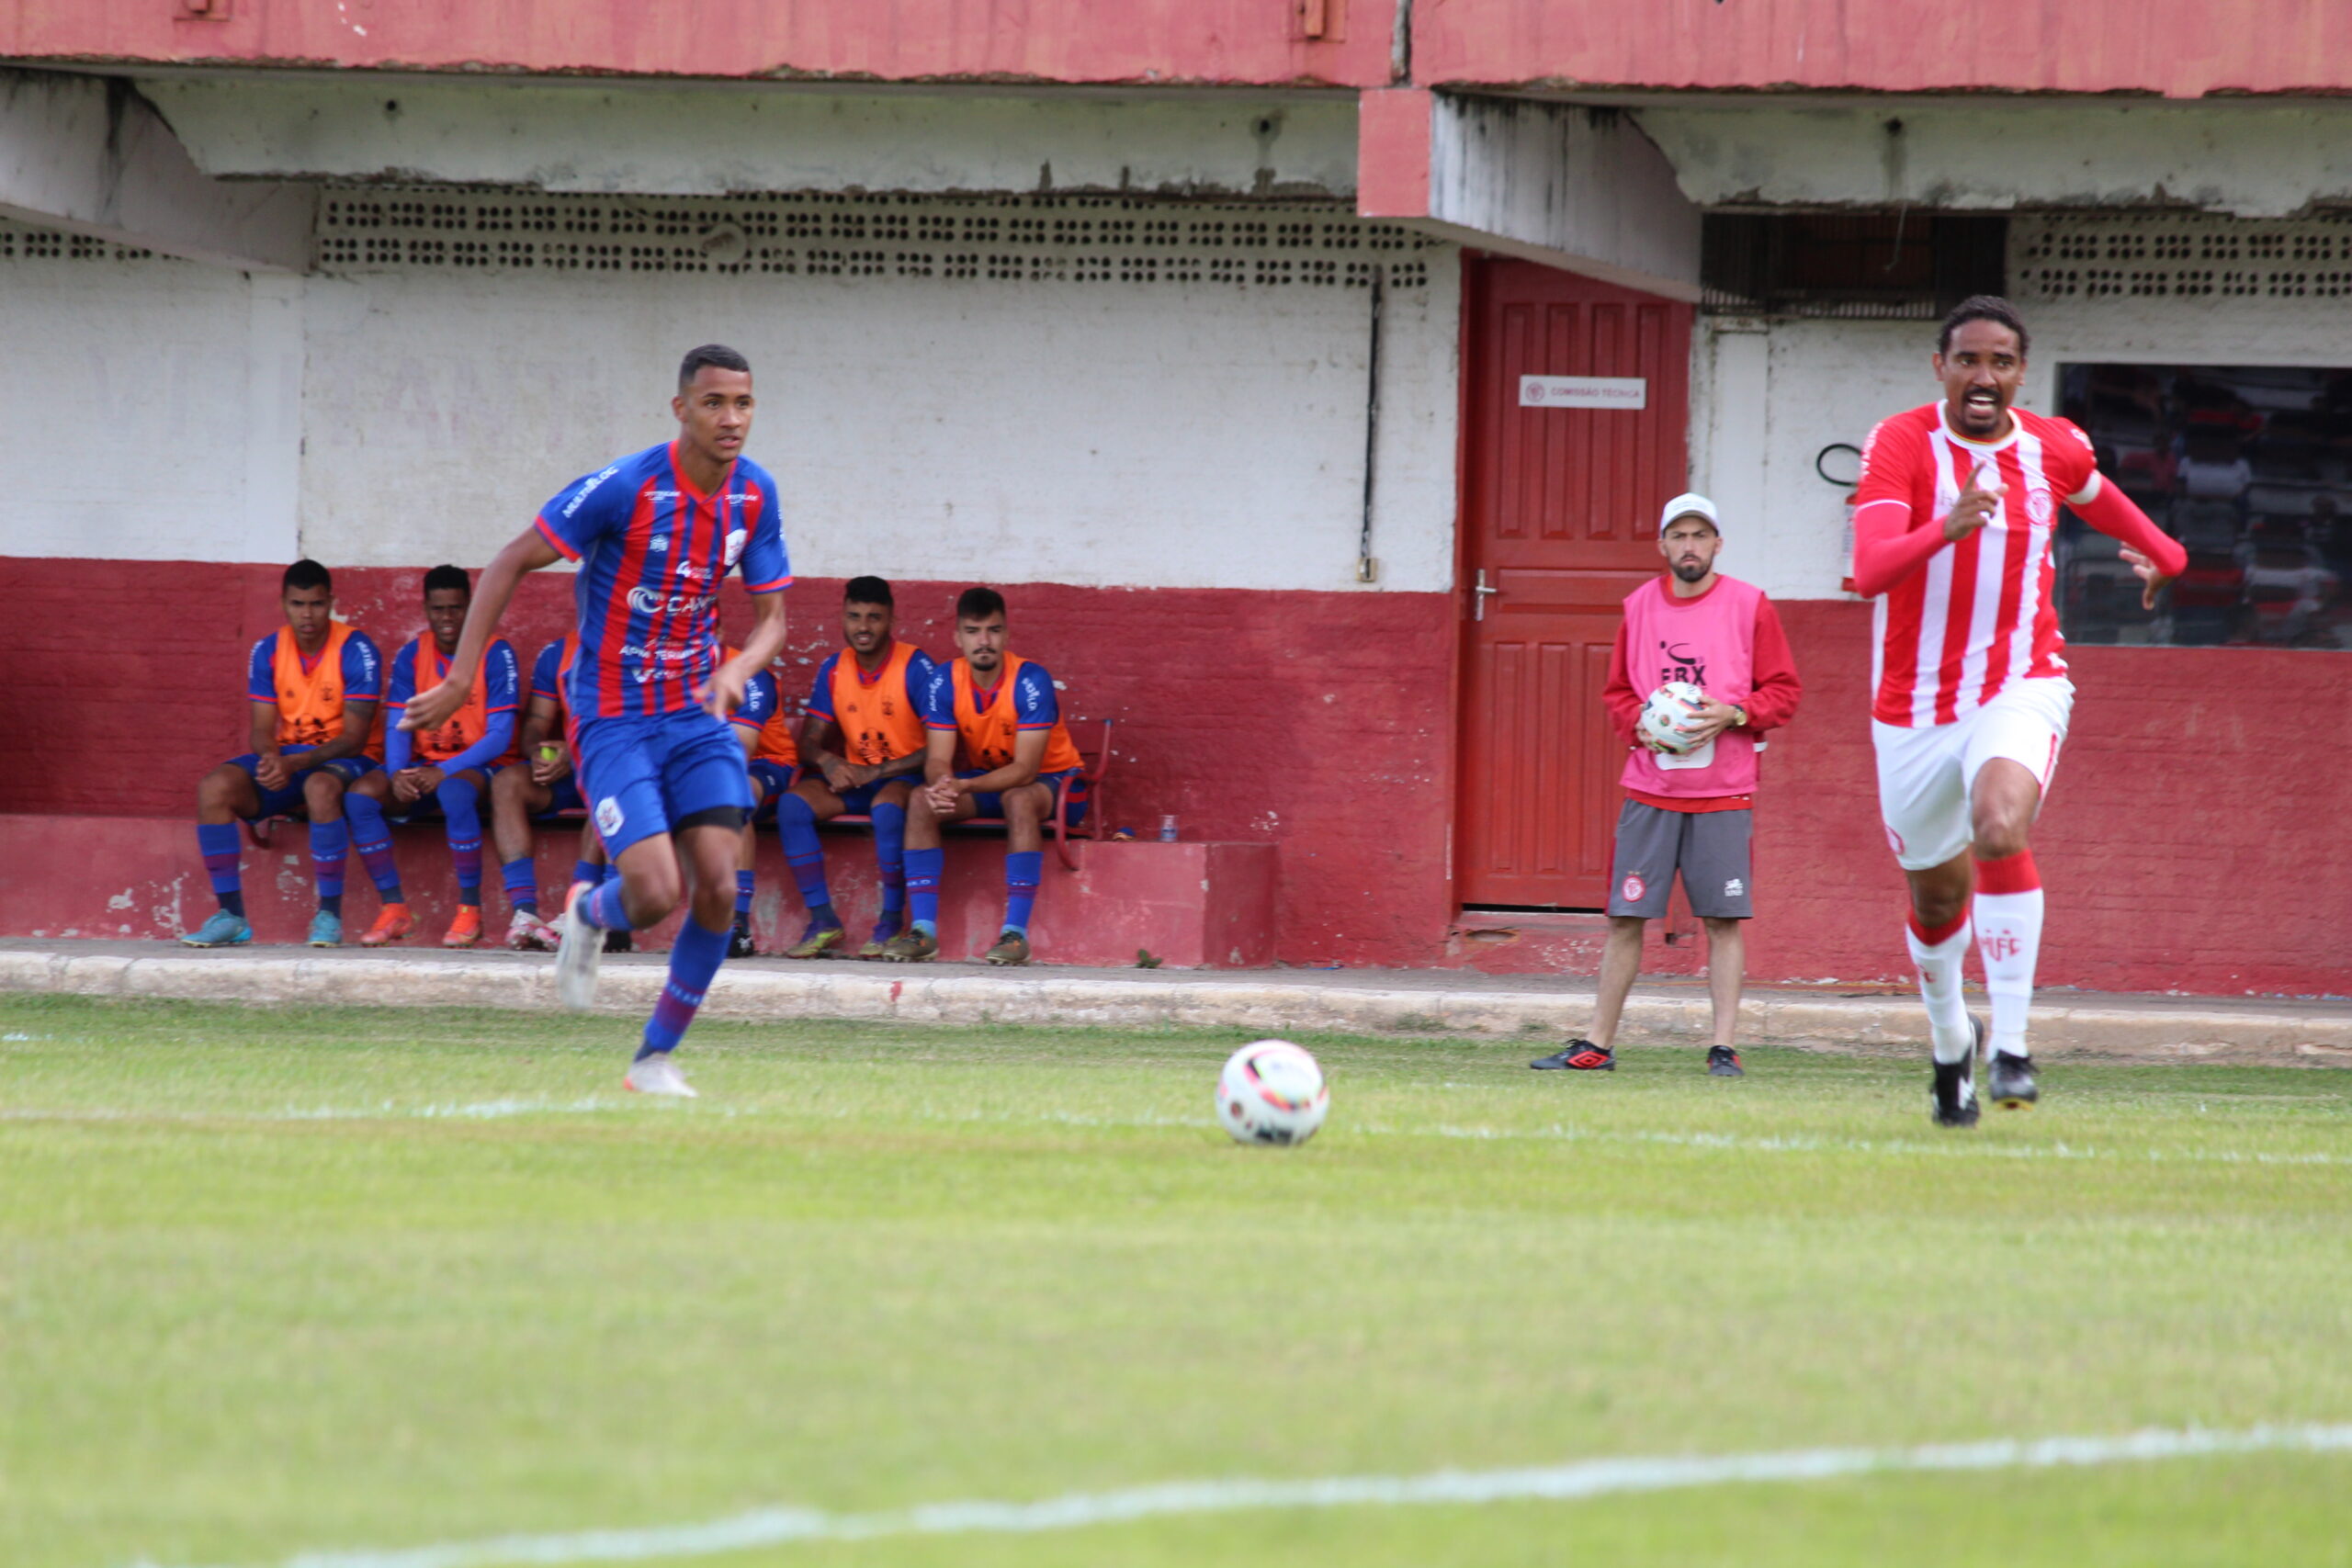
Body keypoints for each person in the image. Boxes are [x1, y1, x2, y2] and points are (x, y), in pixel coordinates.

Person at [400, 344, 792, 1098]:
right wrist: (458, 677)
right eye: (714, 403)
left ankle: (652, 1060)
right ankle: (588, 907)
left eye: (743, 404)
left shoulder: (755, 495)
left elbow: (773, 619)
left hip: (695, 715)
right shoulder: (624, 487)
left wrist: (737, 669)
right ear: (681, 410)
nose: (731, 418)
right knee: (652, 893)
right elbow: (511, 560)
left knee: (717, 882)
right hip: (613, 716)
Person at [1851, 296, 2185, 1127]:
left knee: (2001, 823)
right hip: (1913, 711)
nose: (1983, 376)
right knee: (1936, 904)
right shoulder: (1900, 443)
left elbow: (2115, 508)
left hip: (2020, 681)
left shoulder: (2053, 445)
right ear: (1941, 368)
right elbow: (1868, 571)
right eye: (1968, 359)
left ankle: (2014, 1045)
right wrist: (1949, 525)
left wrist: (2168, 557)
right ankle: (1949, 1044)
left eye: (2000, 362)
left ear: (2020, 374)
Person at [1532, 494, 1802, 1077]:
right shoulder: (1638, 608)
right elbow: (1617, 696)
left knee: (1722, 921)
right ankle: (1597, 1046)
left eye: (1700, 535)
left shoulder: (1750, 606)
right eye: (1677, 535)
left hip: (1723, 791)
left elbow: (1783, 692)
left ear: (1717, 544)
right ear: (1662, 545)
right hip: (1650, 790)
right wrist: (1644, 725)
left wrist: (1732, 713)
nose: (1689, 546)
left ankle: (1723, 1048)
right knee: (1625, 919)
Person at [180, 559, 384, 948]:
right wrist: (272, 758)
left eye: (317, 604)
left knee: (321, 787)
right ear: (283, 604)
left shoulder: (357, 648)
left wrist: (294, 763)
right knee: (214, 788)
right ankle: (232, 917)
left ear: (331, 603)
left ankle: (329, 916)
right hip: (292, 758)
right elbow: (261, 728)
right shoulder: (268, 650)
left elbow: (355, 739)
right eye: (297, 604)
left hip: (350, 761)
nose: (307, 615)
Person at [883, 586, 1086, 966]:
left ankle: (1015, 936)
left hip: (1058, 784)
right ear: (958, 637)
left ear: (1006, 635)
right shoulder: (944, 681)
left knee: (1019, 797)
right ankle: (923, 932)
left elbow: (1026, 770)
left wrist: (965, 784)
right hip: (990, 779)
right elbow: (938, 758)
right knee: (920, 800)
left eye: (993, 630)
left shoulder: (1031, 680)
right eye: (974, 631)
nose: (984, 641)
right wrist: (943, 784)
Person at [344, 565, 522, 948]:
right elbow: (397, 723)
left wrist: (444, 772)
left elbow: (500, 737)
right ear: (426, 608)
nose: (447, 618)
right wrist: (396, 774)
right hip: (426, 768)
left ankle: (469, 911)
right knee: (360, 795)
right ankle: (394, 909)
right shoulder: (412, 654)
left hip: (481, 767)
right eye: (439, 609)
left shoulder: (495, 652)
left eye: (456, 608)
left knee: (454, 792)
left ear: (471, 607)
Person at [775, 577, 936, 960]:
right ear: (843, 618)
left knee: (886, 805)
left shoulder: (916, 665)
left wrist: (878, 772)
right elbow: (809, 743)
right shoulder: (834, 668)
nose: (863, 627)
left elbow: (939, 747)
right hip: (856, 779)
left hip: (904, 779)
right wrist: (829, 761)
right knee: (791, 807)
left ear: (891, 619)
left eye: (874, 617)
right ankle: (823, 921)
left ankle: (890, 922)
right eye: (854, 616)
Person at [488, 634, 605, 952]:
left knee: (609, 785)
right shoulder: (559, 652)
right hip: (572, 768)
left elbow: (636, 730)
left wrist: (575, 753)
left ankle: (578, 912)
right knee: (507, 783)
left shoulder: (639, 650)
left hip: (617, 768)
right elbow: (536, 724)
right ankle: (525, 913)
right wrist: (538, 752)